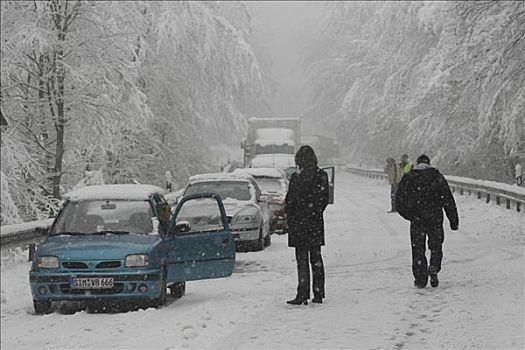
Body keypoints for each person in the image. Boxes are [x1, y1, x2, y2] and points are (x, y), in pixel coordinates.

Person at [395, 154, 459, 288]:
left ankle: (420, 278)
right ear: (429, 163)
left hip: (417, 219)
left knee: (418, 248)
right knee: (436, 245)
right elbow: (448, 200)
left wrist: (410, 215)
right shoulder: (437, 177)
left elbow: (399, 201)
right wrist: (453, 221)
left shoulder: (409, 178)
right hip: (435, 218)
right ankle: (434, 266)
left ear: (417, 164)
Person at [285, 145, 329, 305]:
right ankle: (318, 293)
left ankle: (302, 293)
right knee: (316, 258)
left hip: (299, 224)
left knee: (302, 259)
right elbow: (324, 199)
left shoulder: (296, 177)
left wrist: (292, 214)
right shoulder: (321, 175)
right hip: (314, 223)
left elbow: (290, 200)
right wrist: (314, 212)